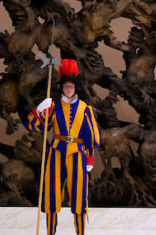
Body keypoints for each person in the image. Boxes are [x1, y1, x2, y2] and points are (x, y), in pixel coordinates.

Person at [24, 58, 100, 235]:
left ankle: (80, 233)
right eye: (66, 86)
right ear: (62, 88)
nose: (68, 89)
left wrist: (90, 158)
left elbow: (90, 136)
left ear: (75, 88)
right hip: (56, 153)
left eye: (71, 87)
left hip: (77, 154)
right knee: (52, 193)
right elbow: (34, 125)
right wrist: (40, 110)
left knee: (79, 195)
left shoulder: (84, 108)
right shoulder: (54, 106)